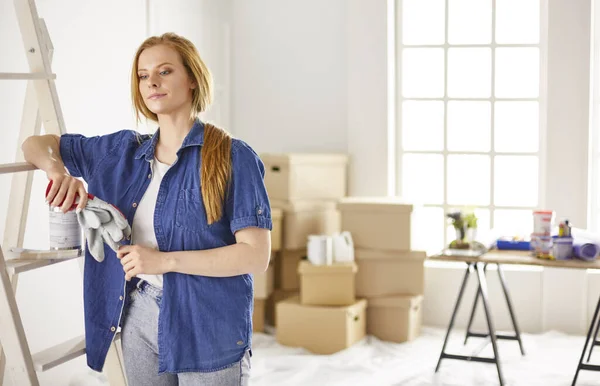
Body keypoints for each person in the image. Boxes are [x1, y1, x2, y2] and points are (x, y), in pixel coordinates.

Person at [21, 32, 272, 386]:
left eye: (165, 71)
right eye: (142, 75)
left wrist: (164, 261)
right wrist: (58, 172)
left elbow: (254, 256)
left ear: (192, 79)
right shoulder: (120, 153)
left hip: (209, 323)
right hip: (140, 316)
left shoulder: (233, 156)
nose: (151, 81)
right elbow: (35, 144)